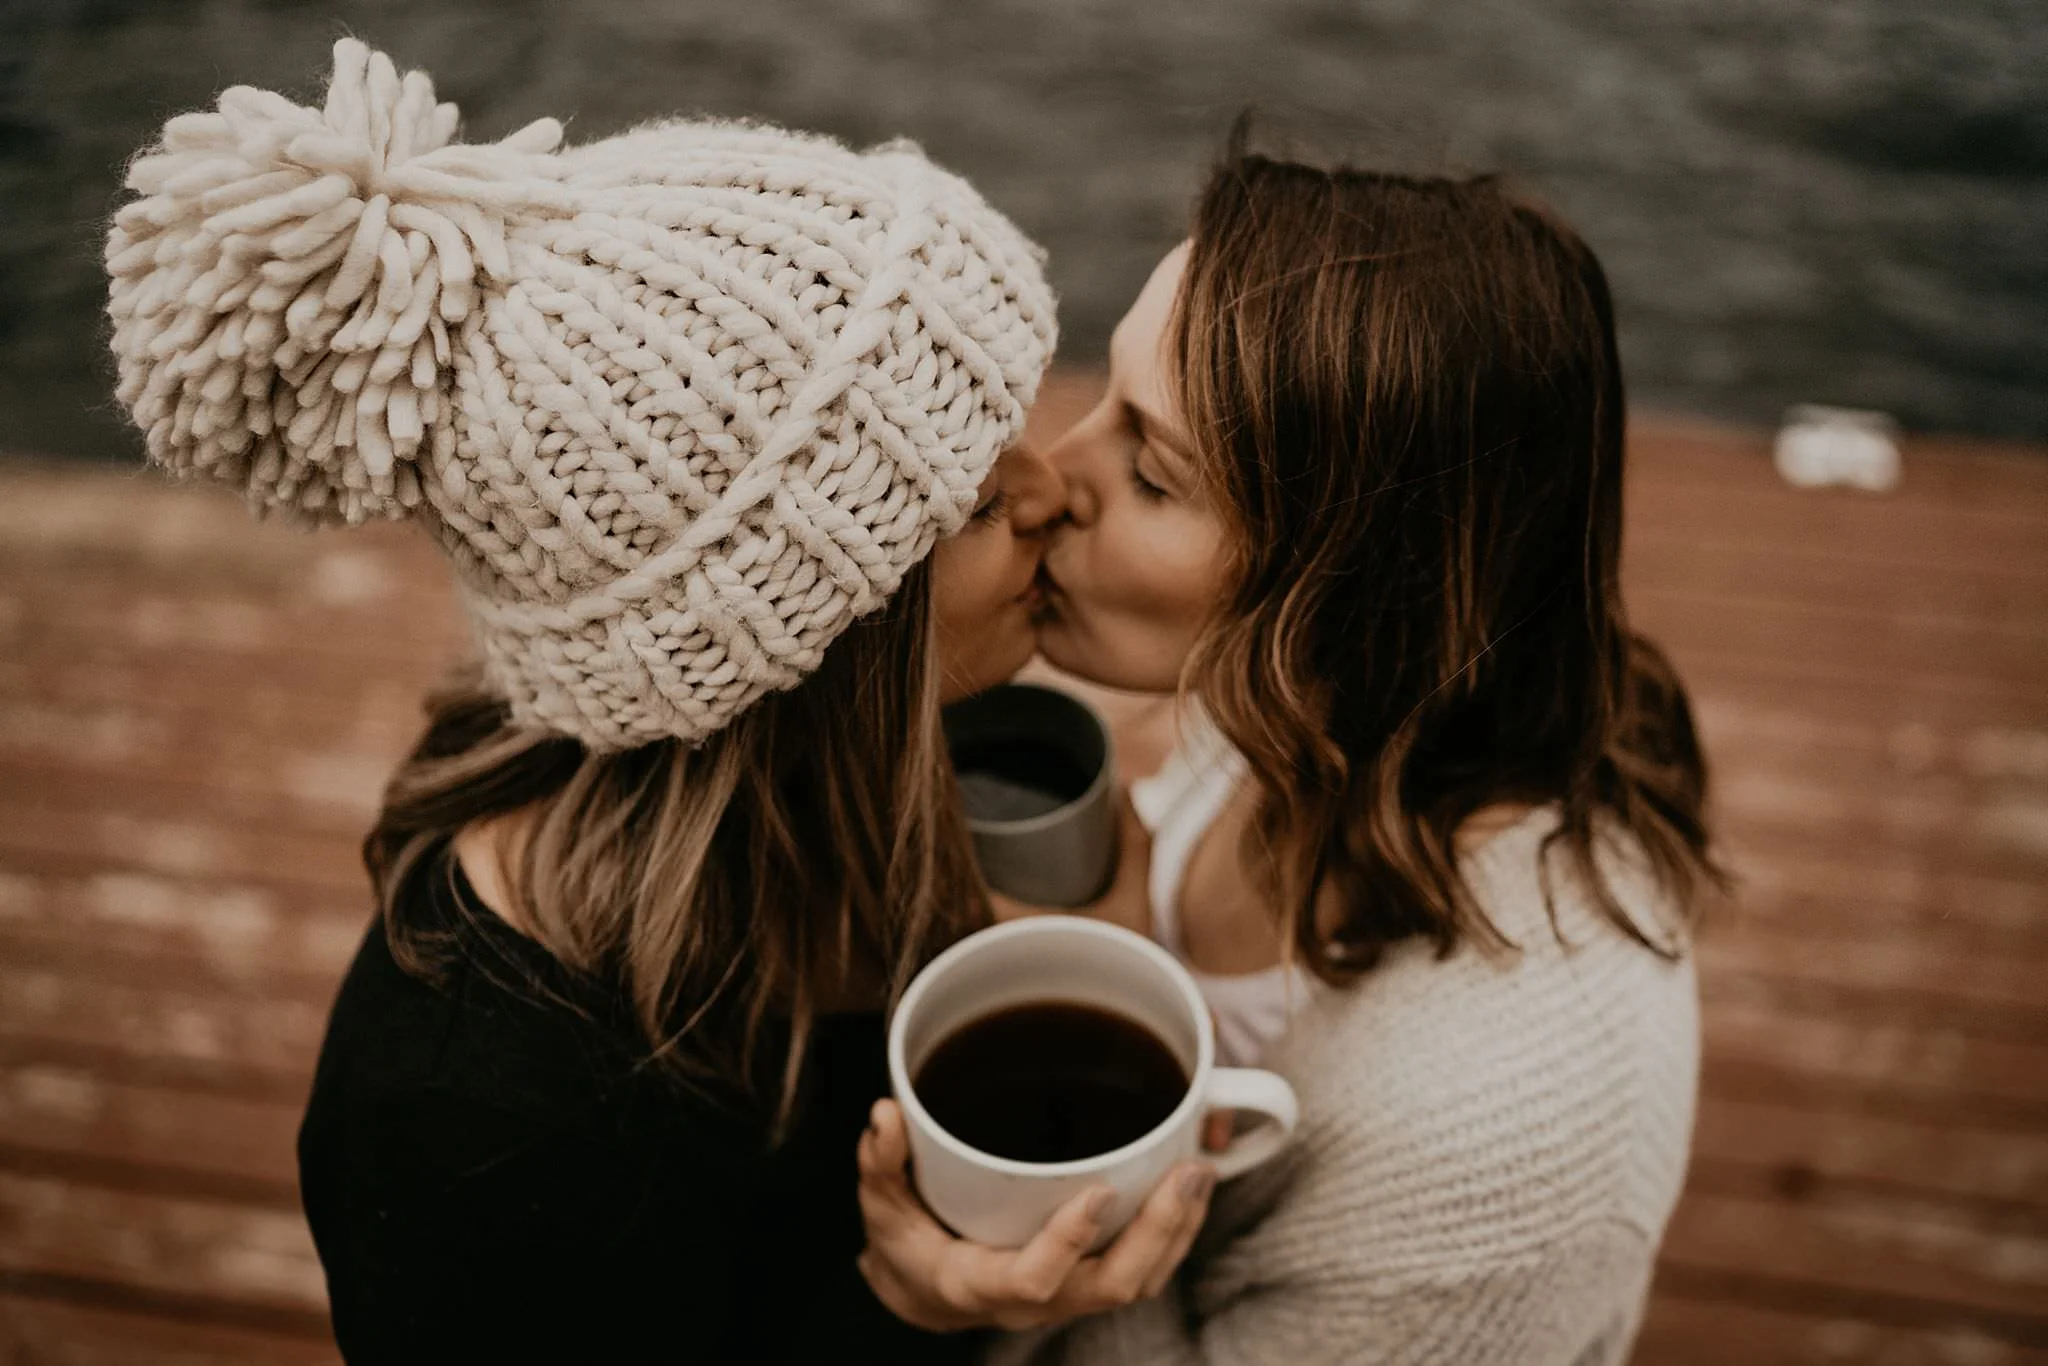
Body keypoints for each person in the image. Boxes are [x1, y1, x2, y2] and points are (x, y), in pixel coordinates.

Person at [102, 38, 1094, 1363]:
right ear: (818, 646)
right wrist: (909, 1314)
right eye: (980, 502)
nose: (1053, 491)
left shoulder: (875, 757)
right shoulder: (485, 1133)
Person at [855, 139, 1721, 1365]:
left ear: (1357, 598)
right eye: (1104, 391)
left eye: (1151, 473)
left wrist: (1001, 1293)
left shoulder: (1501, 1142)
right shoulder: (1325, 710)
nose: (1051, 478)